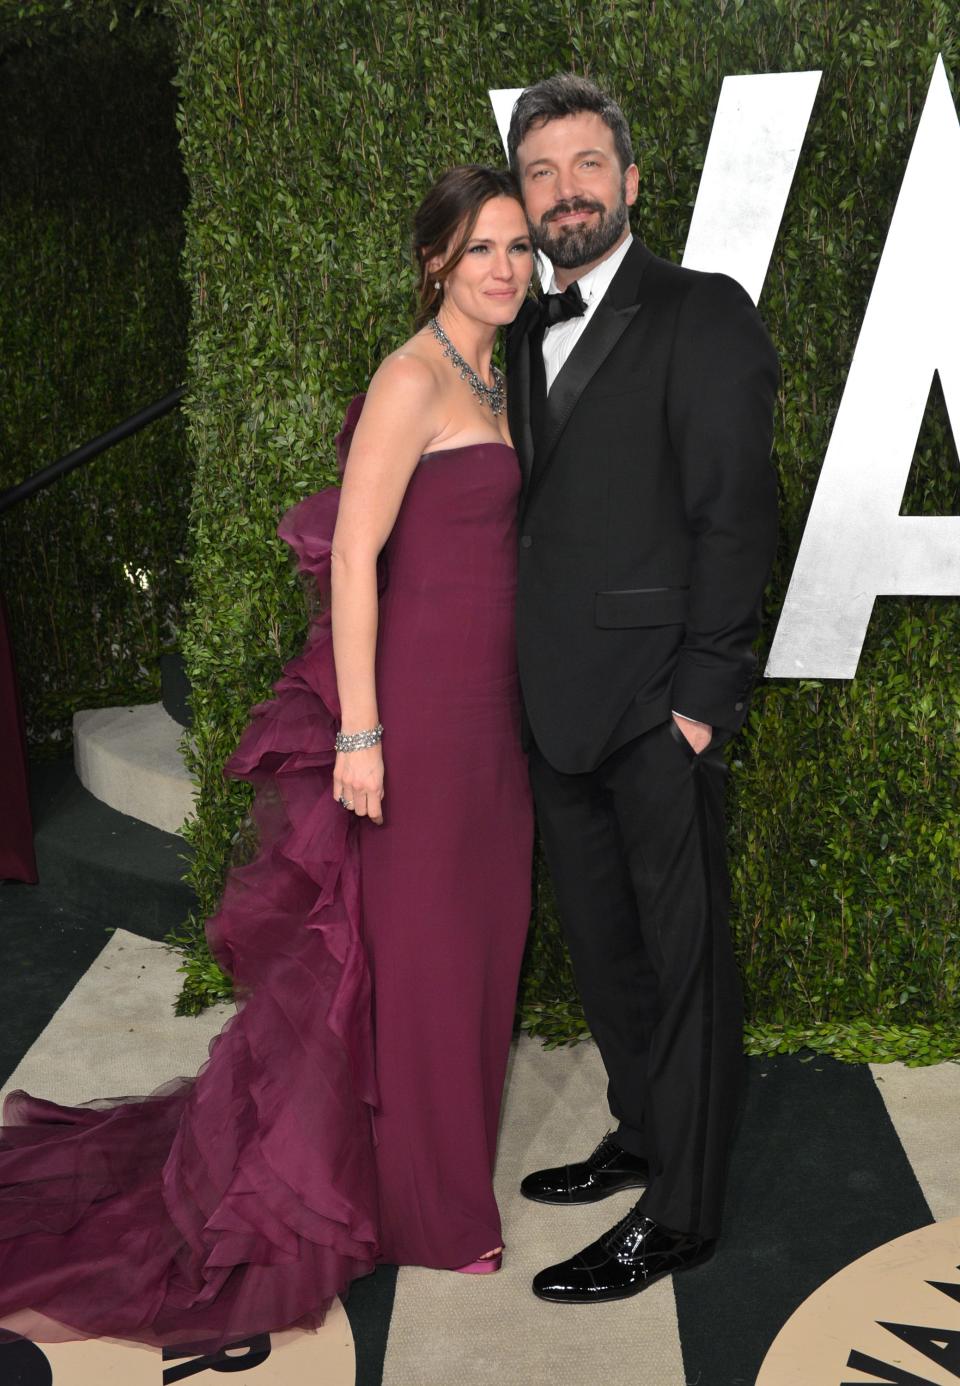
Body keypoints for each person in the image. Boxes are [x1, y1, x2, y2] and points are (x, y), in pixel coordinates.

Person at [0, 165, 534, 1349]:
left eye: (517, 246)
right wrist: (359, 731)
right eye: (481, 247)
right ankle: (430, 1210)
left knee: (474, 949)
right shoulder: (409, 377)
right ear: (435, 261)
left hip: (494, 718)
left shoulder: (497, 369)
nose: (505, 266)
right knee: (426, 955)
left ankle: (422, 1174)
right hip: (422, 715)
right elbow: (353, 558)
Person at [504, 74, 779, 1303]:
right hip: (556, 709)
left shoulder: (701, 313)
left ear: (630, 179)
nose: (567, 192)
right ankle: (644, 1134)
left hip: (659, 706)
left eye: (585, 167)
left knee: (682, 961)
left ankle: (684, 1214)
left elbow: (736, 519)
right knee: (608, 959)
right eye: (542, 174)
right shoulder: (520, 329)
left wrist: (701, 704)